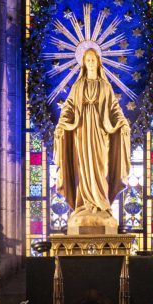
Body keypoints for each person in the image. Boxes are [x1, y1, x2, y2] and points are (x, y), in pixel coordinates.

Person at [53, 46, 131, 230]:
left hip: (100, 133)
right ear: (83, 64)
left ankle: (101, 204)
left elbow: (114, 109)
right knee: (84, 169)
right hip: (82, 133)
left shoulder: (105, 86)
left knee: (100, 167)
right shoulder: (78, 86)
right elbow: (68, 108)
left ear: (98, 63)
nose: (90, 63)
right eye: (87, 60)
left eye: (93, 60)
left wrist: (123, 123)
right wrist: (61, 125)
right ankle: (84, 204)